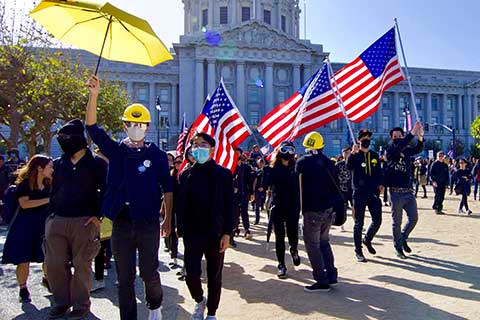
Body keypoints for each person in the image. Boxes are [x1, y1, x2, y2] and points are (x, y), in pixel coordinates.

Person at [85, 75, 173, 320]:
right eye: (131, 124)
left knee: (149, 272)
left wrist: (166, 219)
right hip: (119, 220)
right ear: (124, 126)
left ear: (147, 127)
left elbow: (167, 187)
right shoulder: (115, 150)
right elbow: (92, 127)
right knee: (124, 278)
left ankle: (155, 306)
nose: (137, 128)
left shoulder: (156, 155)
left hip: (147, 221)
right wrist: (93, 95)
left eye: (141, 124)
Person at [44, 119, 107, 319]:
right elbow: (54, 192)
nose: (63, 141)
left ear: (78, 139)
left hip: (84, 221)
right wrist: (51, 218)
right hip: (58, 220)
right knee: (54, 263)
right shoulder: (58, 163)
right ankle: (62, 302)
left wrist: (99, 217)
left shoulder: (97, 164)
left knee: (82, 264)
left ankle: (81, 305)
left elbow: (105, 191)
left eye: (65, 138)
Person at [176, 133, 234, 320]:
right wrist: (179, 228)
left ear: (212, 149)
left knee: (214, 276)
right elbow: (181, 205)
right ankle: (199, 299)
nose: (198, 147)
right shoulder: (186, 174)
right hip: (193, 234)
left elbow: (229, 205)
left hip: (215, 233)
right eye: (195, 144)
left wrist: (227, 233)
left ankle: (211, 312)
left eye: (203, 144)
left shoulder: (223, 174)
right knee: (191, 274)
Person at [1, 155, 53, 303]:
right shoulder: (24, 183)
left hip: (44, 225)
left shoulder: (50, 183)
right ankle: (23, 288)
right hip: (24, 226)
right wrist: (48, 200)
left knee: (48, 257)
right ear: (40, 168)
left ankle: (47, 278)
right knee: (23, 260)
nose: (52, 169)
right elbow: (25, 204)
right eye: (50, 166)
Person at [296, 132, 340, 292]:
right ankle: (332, 275)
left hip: (312, 211)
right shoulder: (329, 163)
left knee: (312, 246)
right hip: (328, 210)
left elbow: (296, 185)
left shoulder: (302, 163)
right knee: (324, 243)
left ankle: (321, 280)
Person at [384, 122, 424, 259]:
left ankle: (403, 237)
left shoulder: (407, 150)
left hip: (408, 191)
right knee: (397, 222)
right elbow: (398, 147)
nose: (398, 138)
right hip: (395, 192)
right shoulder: (389, 151)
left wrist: (419, 137)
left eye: (400, 135)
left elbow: (418, 149)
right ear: (391, 138)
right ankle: (398, 247)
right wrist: (411, 133)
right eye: (395, 136)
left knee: (413, 218)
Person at [264, 141, 300, 279]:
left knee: (292, 233)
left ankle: (294, 250)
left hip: (293, 205)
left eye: (291, 150)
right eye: (285, 149)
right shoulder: (272, 169)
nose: (288, 153)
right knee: (279, 236)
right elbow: (264, 186)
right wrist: (265, 174)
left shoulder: (296, 169)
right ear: (280, 151)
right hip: (277, 206)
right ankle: (281, 264)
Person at [347, 129, 384, 262]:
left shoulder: (374, 155)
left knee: (377, 220)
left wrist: (381, 184)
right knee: (359, 223)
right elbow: (348, 166)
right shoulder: (355, 155)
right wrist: (352, 153)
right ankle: (358, 251)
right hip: (359, 193)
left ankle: (367, 239)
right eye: (364, 139)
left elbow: (380, 171)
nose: (367, 140)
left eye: (368, 138)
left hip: (373, 193)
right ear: (359, 141)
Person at [232, 148, 253, 243]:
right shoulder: (230, 167)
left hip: (244, 193)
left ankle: (247, 230)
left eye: (238, 153)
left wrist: (251, 192)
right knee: (235, 213)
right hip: (233, 194)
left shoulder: (246, 167)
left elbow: (250, 181)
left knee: (244, 212)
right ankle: (235, 228)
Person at [334, 146, 353, 232]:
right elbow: (334, 177)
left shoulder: (354, 163)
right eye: (345, 152)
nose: (347, 154)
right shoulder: (338, 165)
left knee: (354, 207)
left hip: (352, 189)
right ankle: (341, 225)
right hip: (341, 190)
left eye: (348, 152)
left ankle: (357, 223)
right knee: (342, 208)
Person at [252, 158, 267, 225]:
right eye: (259, 163)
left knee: (266, 205)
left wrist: (264, 188)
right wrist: (253, 190)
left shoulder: (267, 171)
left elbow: (268, 181)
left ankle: (270, 221)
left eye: (261, 163)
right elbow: (255, 181)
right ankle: (257, 220)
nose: (260, 164)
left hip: (264, 191)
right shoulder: (257, 171)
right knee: (256, 206)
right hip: (258, 190)